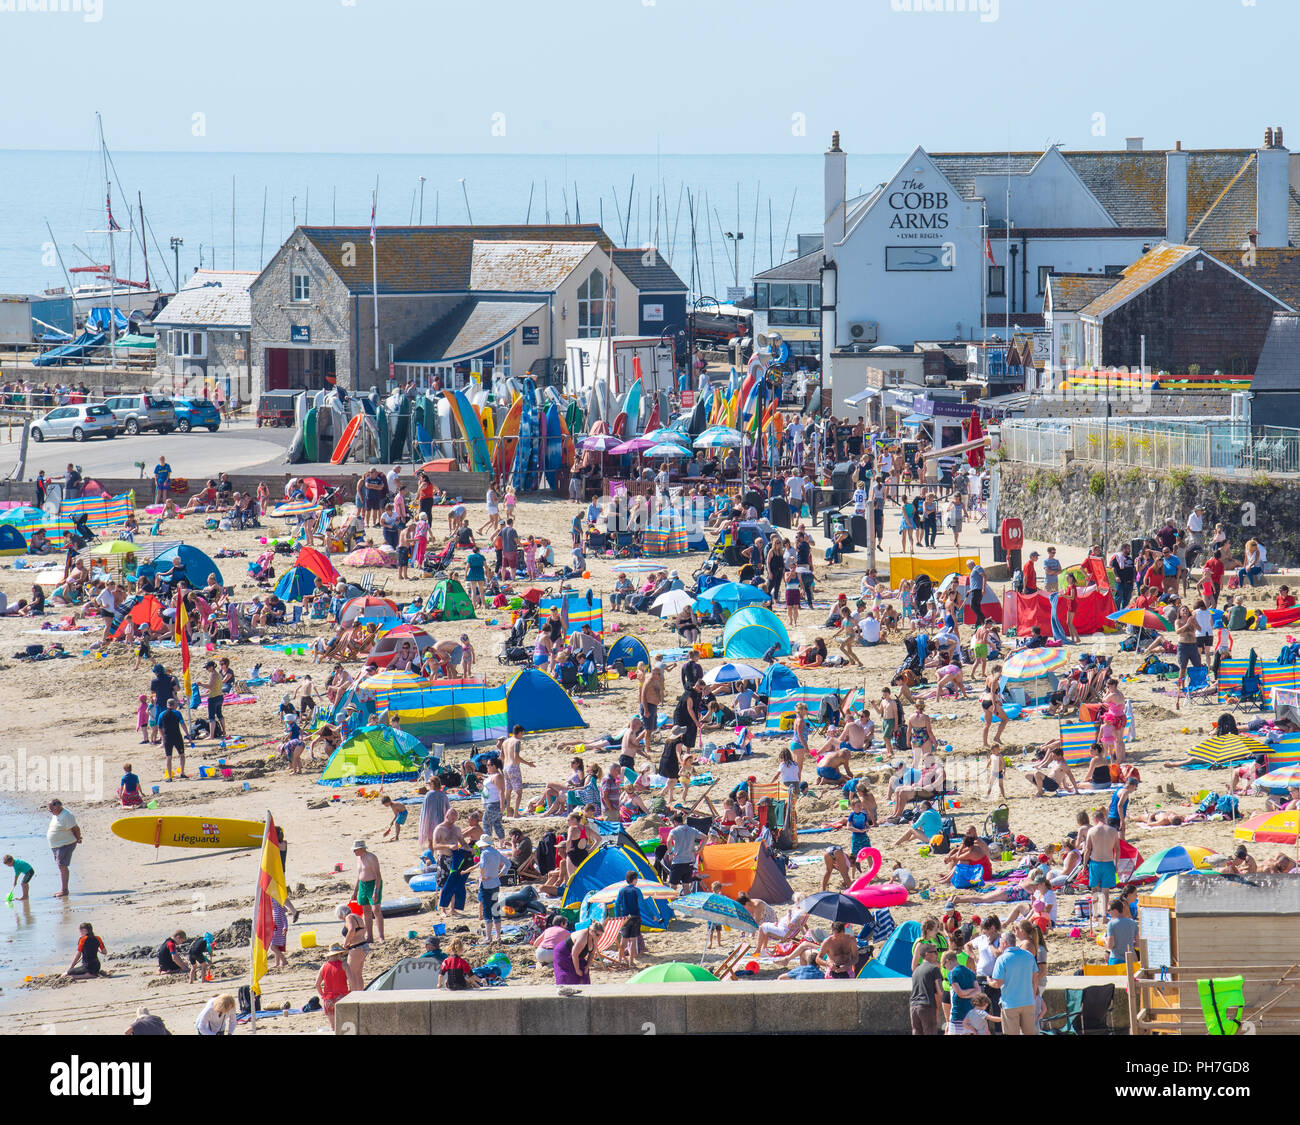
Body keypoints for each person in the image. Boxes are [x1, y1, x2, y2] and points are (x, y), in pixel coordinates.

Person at [988, 930, 1038, 1035]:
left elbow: (998, 984)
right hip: (1028, 1001)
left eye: (1000, 943)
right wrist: (1032, 996)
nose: (999, 946)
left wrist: (989, 981)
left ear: (1005, 943)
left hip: (1010, 1003)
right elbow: (1035, 978)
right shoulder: (1029, 955)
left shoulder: (1002, 959)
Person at [351, 838, 384, 943]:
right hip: (362, 885)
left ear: (361, 849)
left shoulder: (371, 857)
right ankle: (370, 936)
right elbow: (359, 876)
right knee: (366, 911)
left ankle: (381, 936)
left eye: (356, 850)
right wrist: (355, 892)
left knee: (376, 910)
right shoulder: (358, 859)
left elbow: (378, 875)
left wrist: (376, 890)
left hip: (372, 883)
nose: (354, 852)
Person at [46, 798, 80, 898]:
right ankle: (64, 889)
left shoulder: (67, 815)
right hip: (57, 845)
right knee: (61, 866)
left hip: (65, 844)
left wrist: (78, 839)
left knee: (62, 866)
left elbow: (75, 828)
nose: (50, 811)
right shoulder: (56, 814)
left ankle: (64, 890)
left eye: (51, 809)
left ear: (58, 806)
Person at [910, 942, 944, 1034]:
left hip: (913, 1006)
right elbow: (940, 991)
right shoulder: (934, 969)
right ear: (927, 954)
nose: (937, 955)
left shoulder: (916, 970)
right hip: (927, 1006)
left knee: (916, 1031)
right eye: (935, 952)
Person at [665, 812, 704, 894]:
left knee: (673, 886)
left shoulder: (674, 831)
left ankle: (671, 905)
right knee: (686, 887)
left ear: (675, 822)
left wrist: (670, 853)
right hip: (689, 862)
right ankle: (687, 905)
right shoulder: (692, 829)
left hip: (678, 862)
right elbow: (705, 837)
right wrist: (699, 850)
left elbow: (668, 841)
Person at [315, 944, 352, 1030]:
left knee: (333, 1027)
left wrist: (323, 995)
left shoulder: (324, 966)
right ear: (339, 954)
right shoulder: (344, 965)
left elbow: (317, 984)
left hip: (328, 1000)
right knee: (344, 1027)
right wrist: (351, 992)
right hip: (342, 997)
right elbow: (351, 981)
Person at [477, 840, 507, 941]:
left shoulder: (484, 853)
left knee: (486, 909)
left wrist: (482, 876)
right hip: (495, 882)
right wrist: (501, 873)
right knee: (495, 908)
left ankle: (488, 937)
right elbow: (508, 863)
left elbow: (482, 865)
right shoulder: (496, 852)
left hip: (486, 884)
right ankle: (498, 936)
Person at [615, 871, 644, 969]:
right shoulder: (637, 891)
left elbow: (616, 905)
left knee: (623, 942)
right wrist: (652, 915)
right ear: (634, 879)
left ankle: (619, 961)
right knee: (633, 941)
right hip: (636, 917)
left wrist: (618, 917)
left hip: (625, 918)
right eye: (637, 879)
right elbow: (642, 904)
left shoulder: (622, 891)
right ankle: (631, 962)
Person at [1105, 899, 1138, 966]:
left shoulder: (1111, 924)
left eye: (1109, 910)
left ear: (1115, 910)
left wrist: (1105, 940)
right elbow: (1138, 944)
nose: (1108, 913)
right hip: (1131, 959)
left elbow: (1110, 946)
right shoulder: (1133, 922)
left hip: (1116, 960)